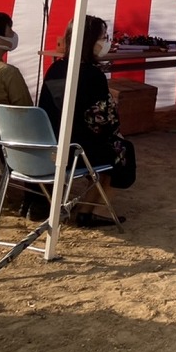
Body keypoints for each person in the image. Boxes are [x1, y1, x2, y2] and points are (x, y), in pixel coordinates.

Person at [38, 15, 135, 228]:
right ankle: (88, 211)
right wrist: (115, 132)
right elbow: (102, 119)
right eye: (103, 37)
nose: (106, 41)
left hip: (49, 142)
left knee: (111, 146)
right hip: (75, 148)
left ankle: (85, 205)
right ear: (89, 40)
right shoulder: (92, 74)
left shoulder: (56, 68)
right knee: (122, 149)